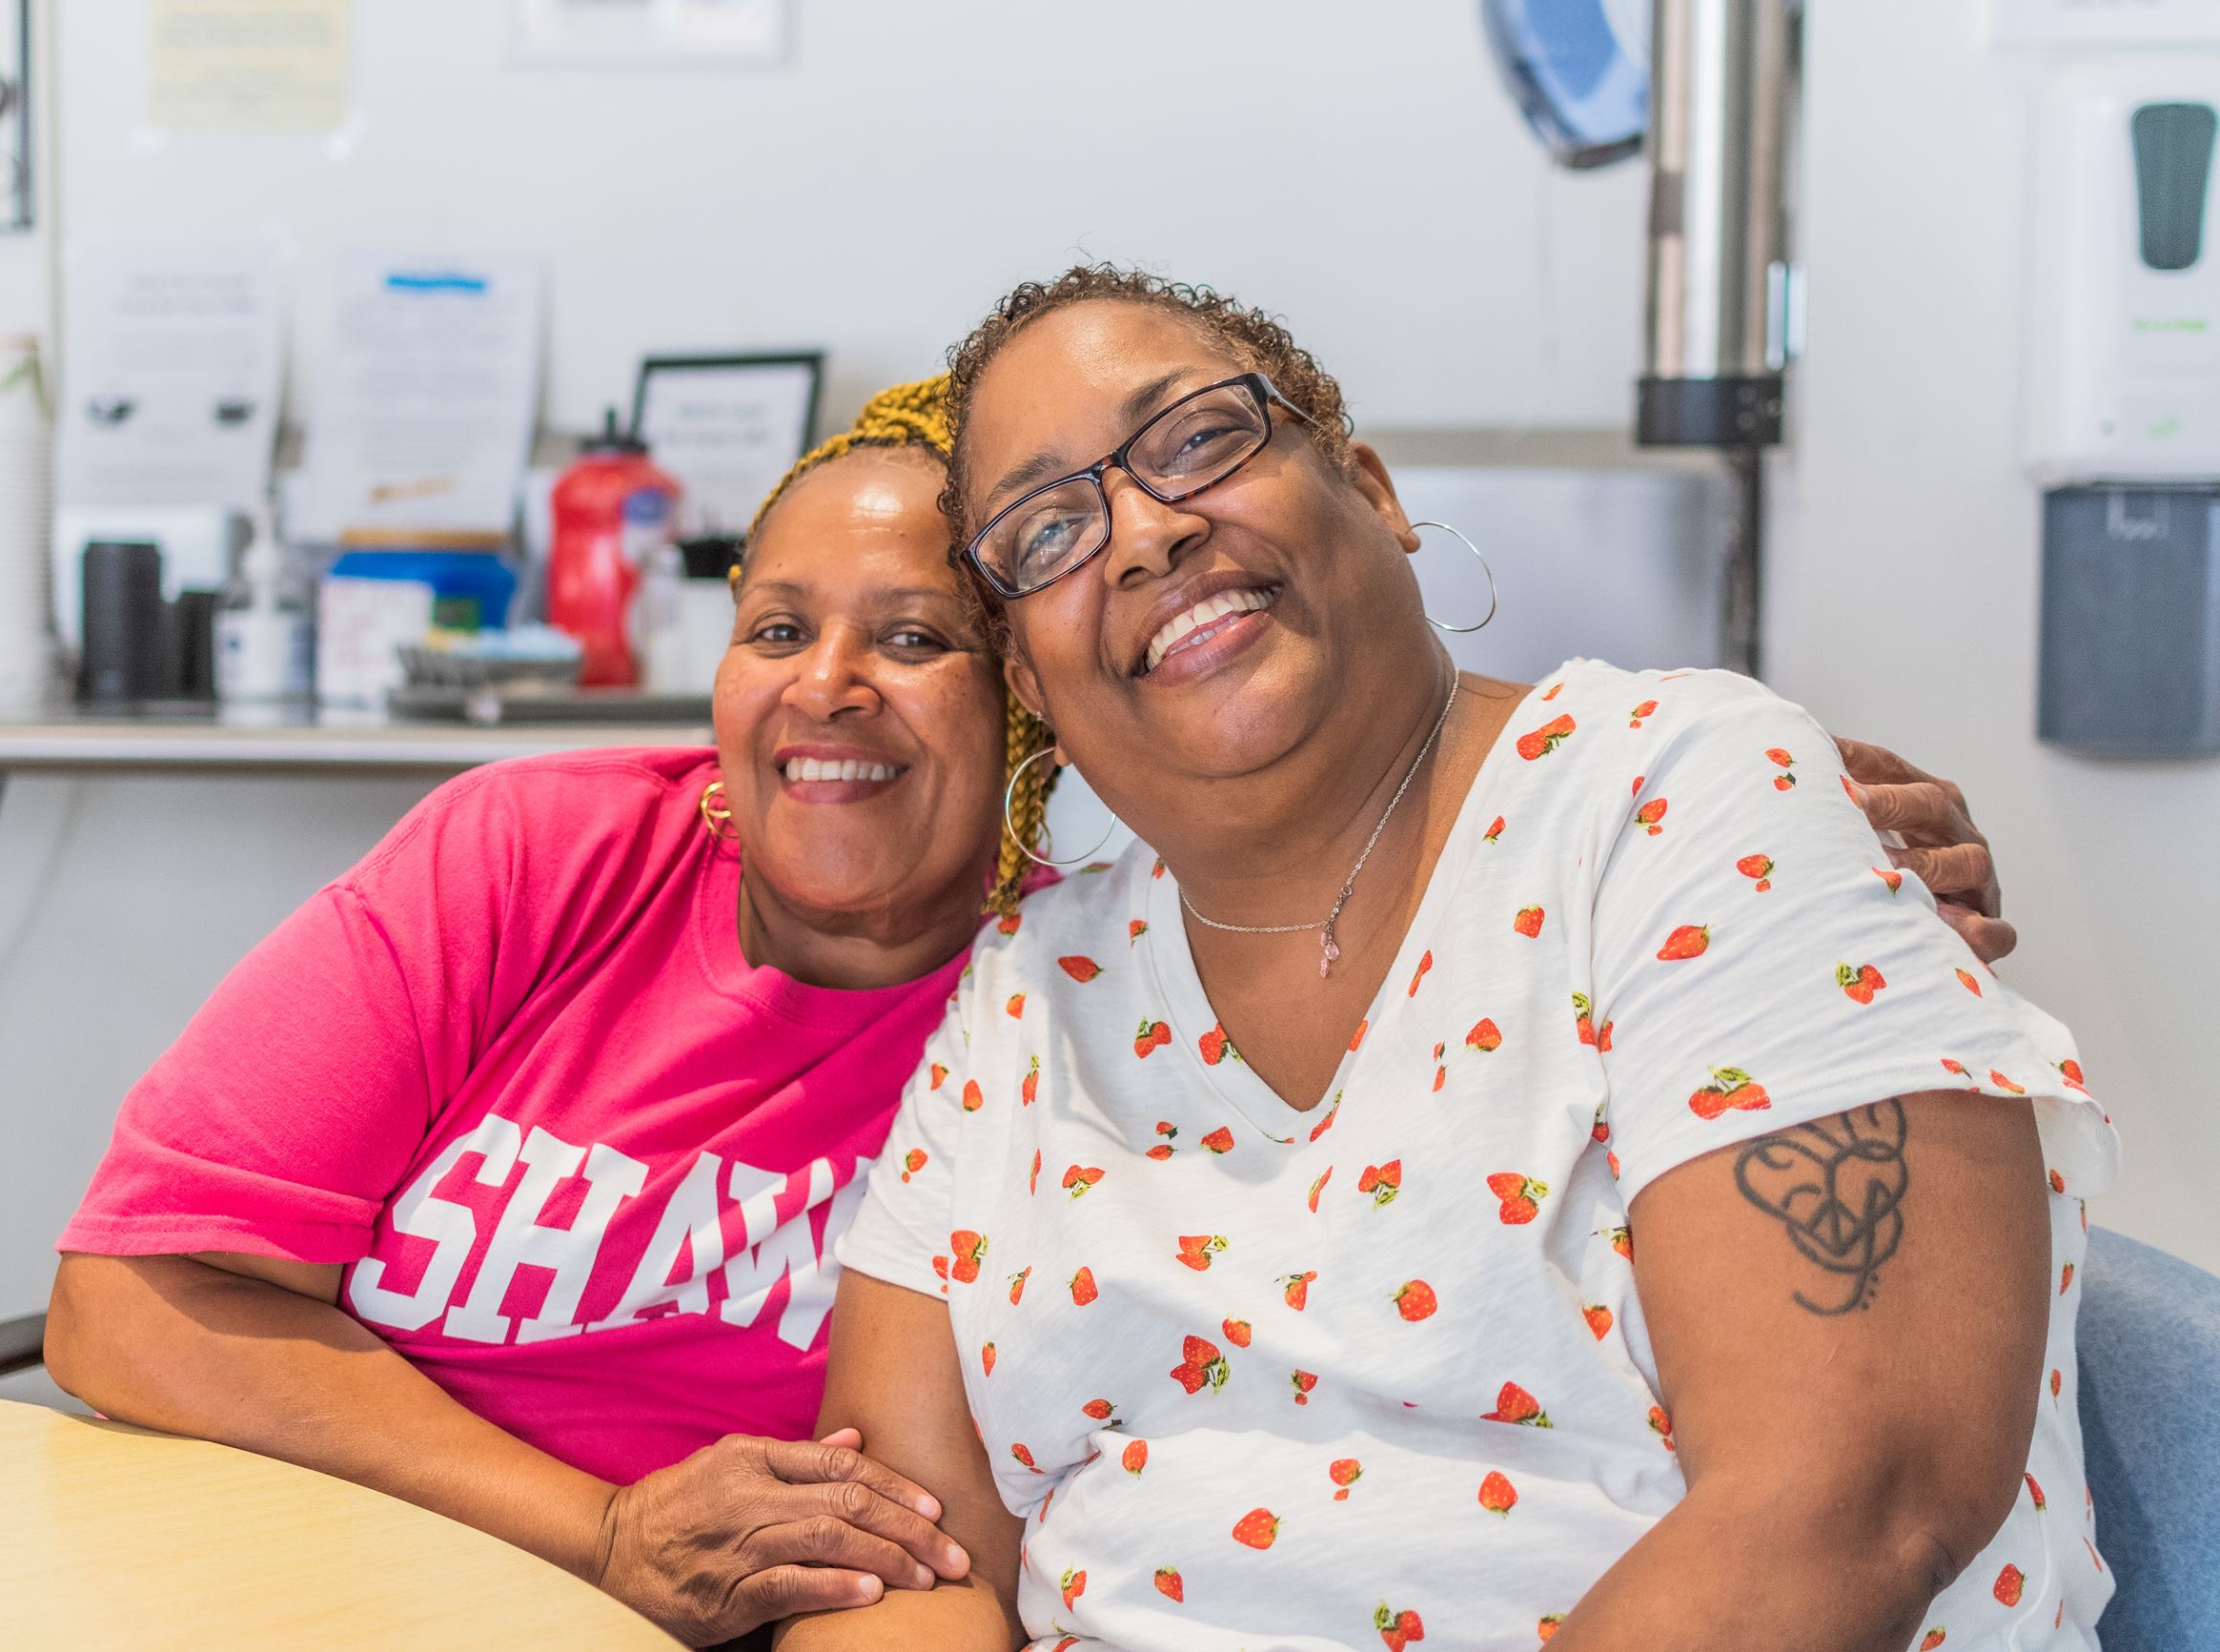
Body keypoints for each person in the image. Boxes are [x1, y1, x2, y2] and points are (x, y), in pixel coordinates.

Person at [45, 381, 2006, 1651]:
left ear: (1048, 708)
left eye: (914, 642)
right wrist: (599, 1526)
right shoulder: (533, 856)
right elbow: (132, 1295)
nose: (825, 690)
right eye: (773, 629)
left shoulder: (1071, 992)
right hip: (326, 1581)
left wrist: (1752, 831)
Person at [803, 270, 2117, 1652]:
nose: (1141, 534)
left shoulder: (1678, 807)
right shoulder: (1030, 992)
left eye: (1195, 440)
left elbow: (1847, 1503)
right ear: (1029, 682)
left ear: (1369, 492)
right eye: (1049, 526)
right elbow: (905, 1564)